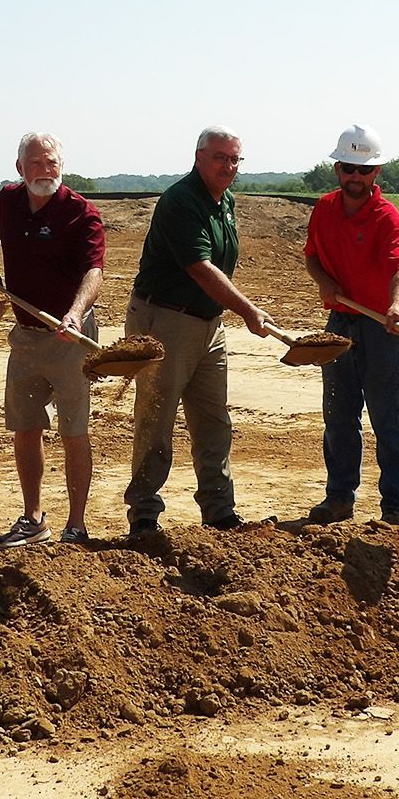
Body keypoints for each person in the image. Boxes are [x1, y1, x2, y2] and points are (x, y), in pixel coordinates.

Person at [122, 126, 270, 536]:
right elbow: (200, 268)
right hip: (165, 320)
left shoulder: (226, 201)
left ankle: (219, 511)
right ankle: (144, 514)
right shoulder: (180, 201)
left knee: (213, 420)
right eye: (220, 157)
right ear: (198, 156)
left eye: (235, 159)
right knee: (156, 417)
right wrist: (248, 310)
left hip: (208, 323)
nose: (229, 166)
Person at [0, 132, 106, 547]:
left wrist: (75, 313)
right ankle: (33, 520)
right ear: (20, 168)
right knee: (26, 426)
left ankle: (76, 525)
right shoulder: (8, 201)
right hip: (26, 337)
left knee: (74, 430)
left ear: (61, 166)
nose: (44, 170)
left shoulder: (81, 213)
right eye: (35, 163)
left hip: (71, 337)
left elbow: (94, 271)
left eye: (52, 163)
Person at [303, 124, 399, 523]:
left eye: (363, 170)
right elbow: (312, 256)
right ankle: (339, 498)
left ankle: (395, 506)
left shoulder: (387, 217)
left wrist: (396, 306)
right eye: (349, 168)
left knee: (389, 419)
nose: (355, 176)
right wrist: (325, 282)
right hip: (340, 324)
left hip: (382, 329)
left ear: (375, 173)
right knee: (338, 416)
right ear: (337, 168)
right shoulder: (324, 209)